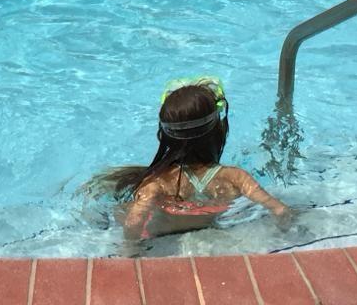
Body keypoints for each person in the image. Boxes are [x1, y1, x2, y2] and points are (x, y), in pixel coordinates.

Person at [88, 78, 291, 240]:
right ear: (219, 130)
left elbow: (133, 224)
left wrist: (131, 251)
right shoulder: (235, 178)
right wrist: (280, 235)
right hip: (212, 231)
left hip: (161, 234)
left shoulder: (157, 182)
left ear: (164, 136)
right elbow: (281, 211)